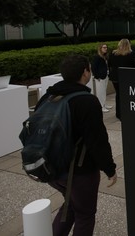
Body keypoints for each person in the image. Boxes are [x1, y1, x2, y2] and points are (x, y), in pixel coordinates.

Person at [39, 54, 117, 236]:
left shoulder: (48, 96)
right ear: (85, 72)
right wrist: (110, 169)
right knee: (85, 214)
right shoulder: (86, 101)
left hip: (51, 168)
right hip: (79, 171)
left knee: (71, 205)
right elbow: (97, 141)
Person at [108, 39, 135, 120]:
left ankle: (119, 114)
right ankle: (126, 113)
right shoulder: (131, 54)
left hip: (115, 78)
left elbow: (110, 64)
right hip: (126, 78)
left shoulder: (113, 53)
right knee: (126, 96)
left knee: (118, 95)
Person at [91, 43, 111, 113]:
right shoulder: (97, 57)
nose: (106, 49)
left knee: (104, 91)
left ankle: (104, 104)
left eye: (106, 47)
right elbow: (93, 67)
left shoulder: (105, 56)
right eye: (104, 47)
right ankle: (101, 106)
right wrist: (96, 76)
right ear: (100, 48)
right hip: (100, 77)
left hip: (105, 76)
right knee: (100, 92)